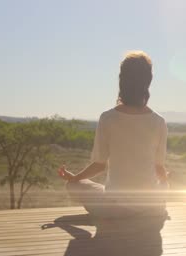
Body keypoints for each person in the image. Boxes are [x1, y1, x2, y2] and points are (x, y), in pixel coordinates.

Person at [58, 51, 169, 218]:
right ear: (148, 81)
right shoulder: (159, 121)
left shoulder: (108, 118)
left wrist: (75, 178)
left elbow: (99, 165)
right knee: (162, 186)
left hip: (114, 208)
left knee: (73, 186)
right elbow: (159, 168)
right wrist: (165, 185)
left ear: (122, 80)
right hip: (149, 206)